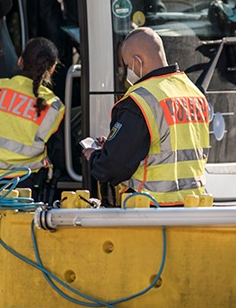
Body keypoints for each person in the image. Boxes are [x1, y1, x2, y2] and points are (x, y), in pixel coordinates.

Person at [84, 27, 210, 206]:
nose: (128, 71)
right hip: (195, 205)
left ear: (137, 61)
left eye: (128, 65)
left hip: (151, 209)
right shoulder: (193, 92)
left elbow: (114, 166)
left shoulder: (140, 100)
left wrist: (95, 157)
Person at [0, 37, 65, 206]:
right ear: (52, 69)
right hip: (21, 190)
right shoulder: (53, 106)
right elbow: (56, 152)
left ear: (20, 61)